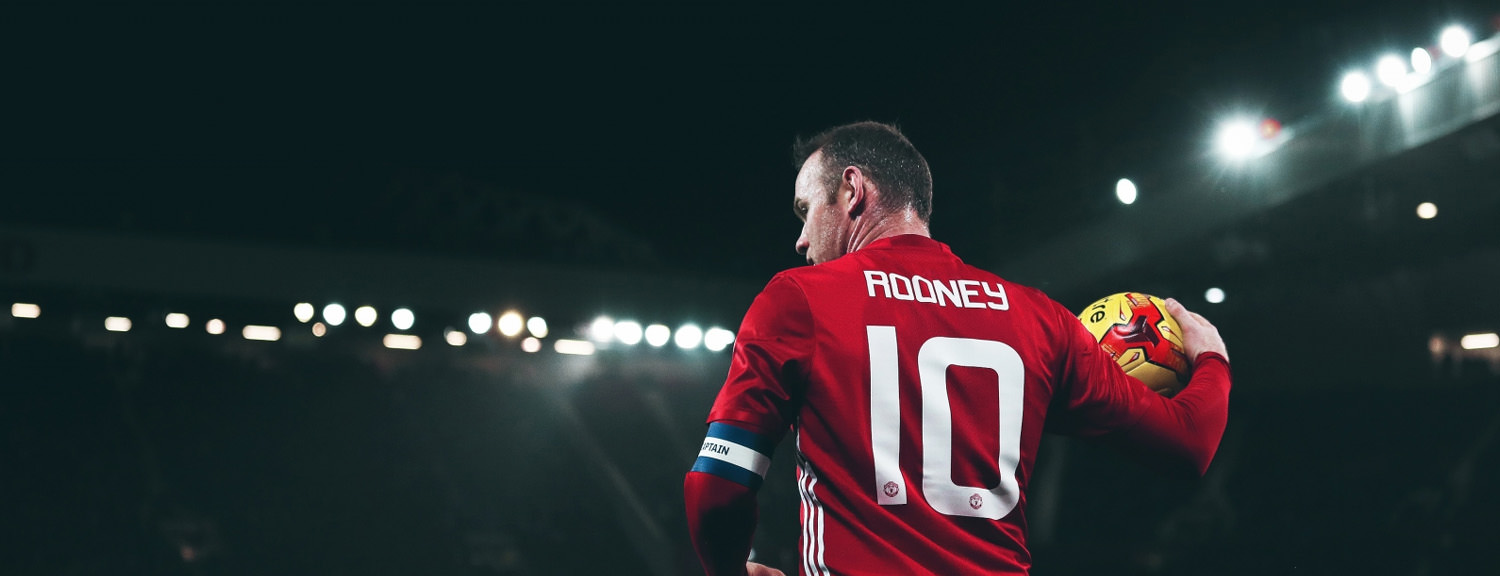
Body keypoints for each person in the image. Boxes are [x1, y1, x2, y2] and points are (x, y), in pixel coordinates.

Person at [683, 121, 1231, 576]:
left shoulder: (799, 300)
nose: (801, 239)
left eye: (805, 211)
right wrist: (1211, 358)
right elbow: (1189, 442)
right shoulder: (1039, 318)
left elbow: (717, 486)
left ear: (852, 190)